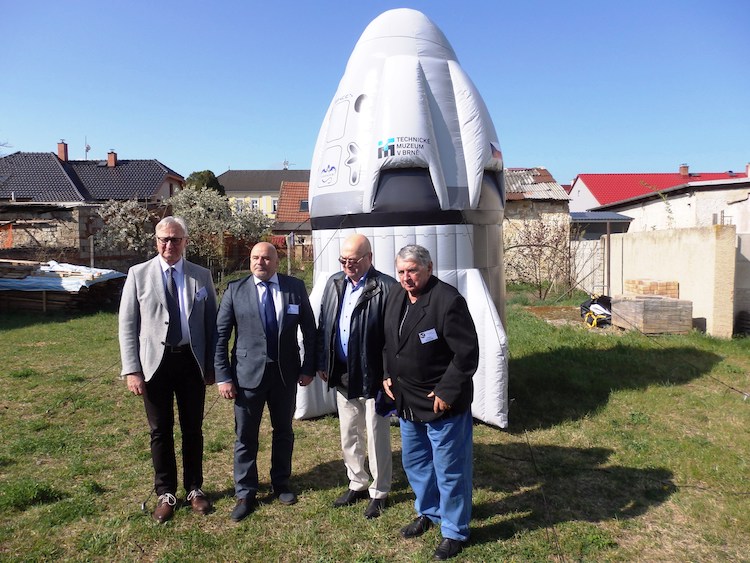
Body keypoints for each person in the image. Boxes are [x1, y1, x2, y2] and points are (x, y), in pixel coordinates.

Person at [382, 245, 479, 561]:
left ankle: (454, 531)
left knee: (450, 469)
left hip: (441, 403)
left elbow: (466, 354)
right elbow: (389, 342)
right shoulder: (396, 296)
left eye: (412, 271)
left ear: (429, 268)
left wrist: (445, 392)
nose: (406, 278)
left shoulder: (448, 301)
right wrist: (387, 374)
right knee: (416, 462)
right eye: (401, 272)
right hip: (407, 400)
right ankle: (429, 511)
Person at [119, 216, 218, 523]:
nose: (169, 245)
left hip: (191, 362)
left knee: (193, 428)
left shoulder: (201, 275)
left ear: (185, 242)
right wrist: (132, 370)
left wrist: (214, 364)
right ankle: (166, 493)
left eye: (175, 239)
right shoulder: (138, 274)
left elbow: (212, 324)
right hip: (154, 365)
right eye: (163, 239)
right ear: (156, 241)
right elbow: (127, 324)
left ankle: (194, 489)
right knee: (160, 431)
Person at [215, 242, 316, 522]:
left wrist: (309, 366)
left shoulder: (294, 287)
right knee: (245, 436)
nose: (260, 262)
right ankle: (245, 492)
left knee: (283, 431)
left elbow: (310, 330)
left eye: (266, 258)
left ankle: (281, 483)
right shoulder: (235, 291)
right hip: (247, 376)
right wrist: (223, 375)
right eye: (255, 258)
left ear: (276, 261)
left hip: (285, 374)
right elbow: (221, 337)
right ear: (250, 261)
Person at [316, 234, 397, 519]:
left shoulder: (386, 287)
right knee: (349, 430)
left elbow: (393, 338)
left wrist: (388, 375)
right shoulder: (334, 283)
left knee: (376, 433)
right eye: (343, 260)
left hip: (373, 375)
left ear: (369, 258)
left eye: (353, 260)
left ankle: (380, 490)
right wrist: (323, 360)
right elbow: (324, 323)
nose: (347, 265)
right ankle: (357, 481)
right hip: (342, 372)